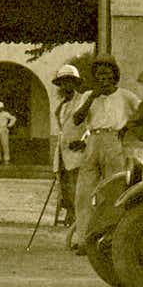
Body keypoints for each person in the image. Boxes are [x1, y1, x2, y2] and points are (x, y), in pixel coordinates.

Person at [66, 57, 139, 251]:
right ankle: (83, 240)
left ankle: (111, 237)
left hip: (114, 141)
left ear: (115, 75)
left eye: (107, 74)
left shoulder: (126, 96)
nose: (103, 78)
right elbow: (76, 119)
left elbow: (141, 115)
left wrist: (127, 129)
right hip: (93, 141)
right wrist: (91, 97)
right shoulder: (88, 95)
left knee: (113, 189)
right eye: (99, 75)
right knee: (84, 191)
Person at [49, 64, 84, 226]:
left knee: (77, 185)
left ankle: (79, 217)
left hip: (78, 151)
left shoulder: (82, 101)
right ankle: (70, 213)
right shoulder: (61, 106)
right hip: (63, 153)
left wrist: (84, 141)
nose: (66, 86)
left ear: (75, 83)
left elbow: (92, 124)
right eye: (62, 82)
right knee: (65, 186)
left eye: (69, 81)